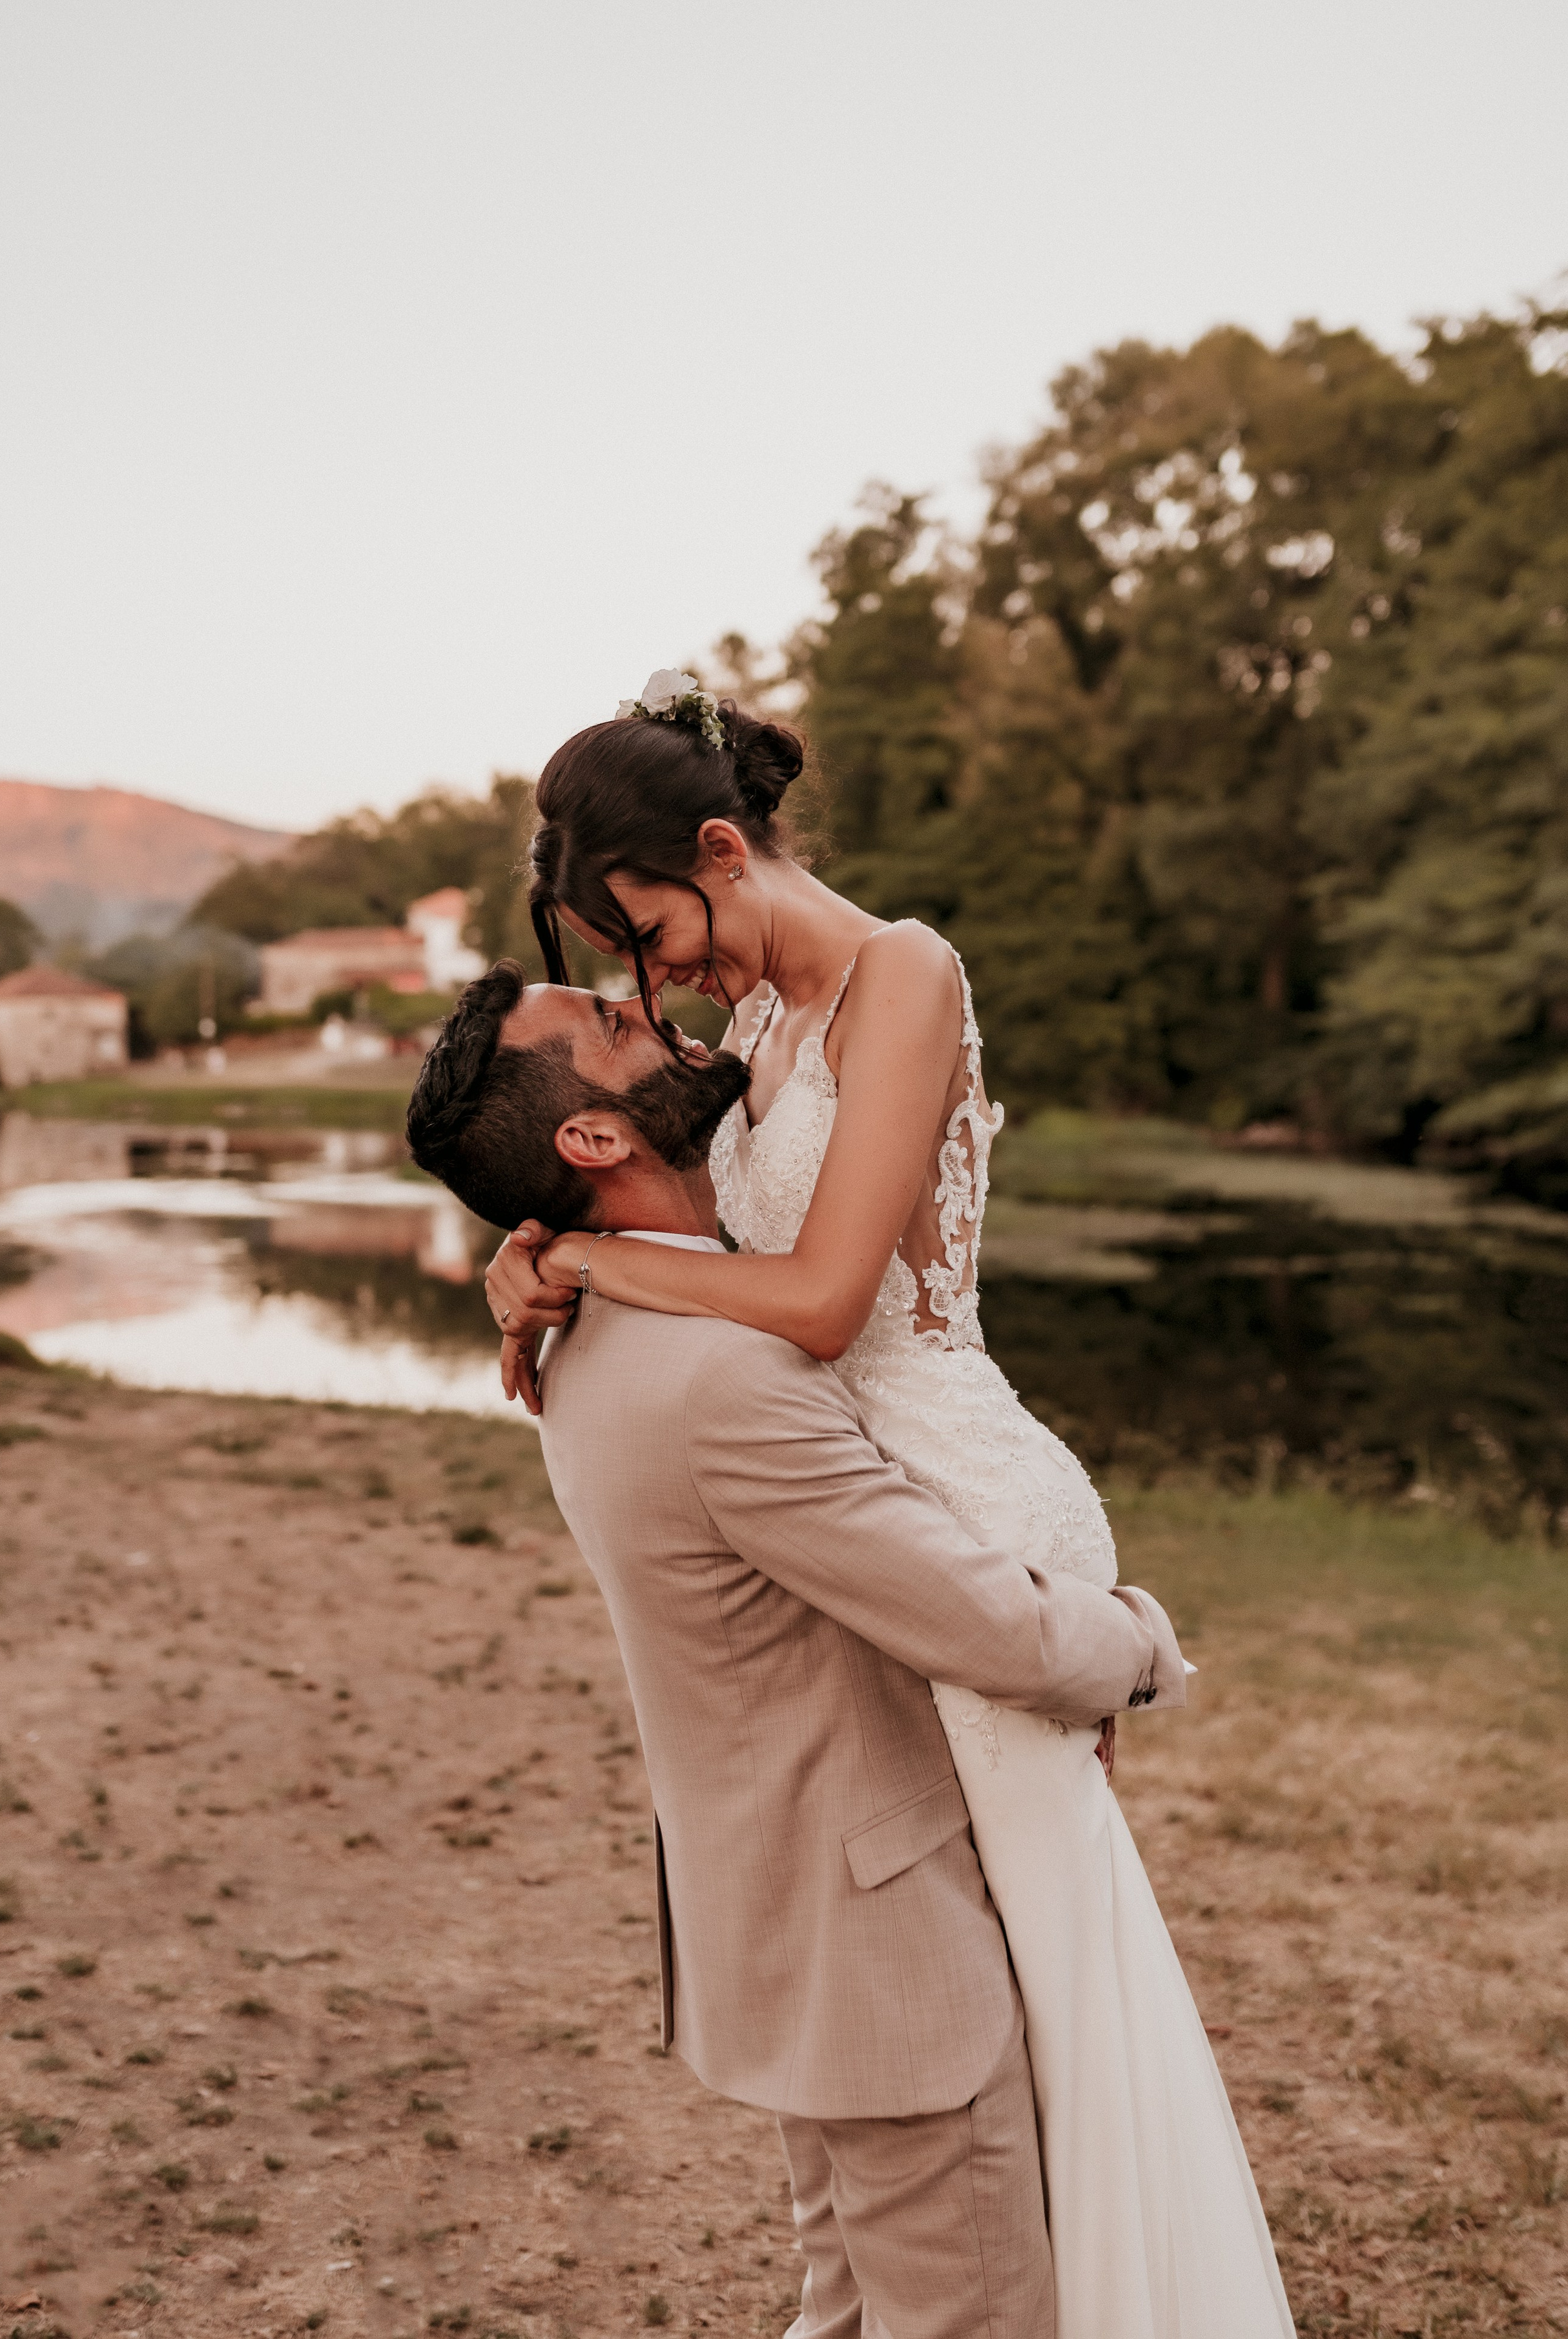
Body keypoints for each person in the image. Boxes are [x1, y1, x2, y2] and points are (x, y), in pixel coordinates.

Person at [481, 672, 1295, 2339]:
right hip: (862, 1504)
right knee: (956, 1969)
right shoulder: (768, 1026)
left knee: (1042, 1967)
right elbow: (625, 1166)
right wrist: (534, 1250)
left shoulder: (902, 971)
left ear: (724, 844)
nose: (661, 979)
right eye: (633, 965)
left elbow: (829, 1295)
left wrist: (586, 1253)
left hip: (968, 1494)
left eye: (651, 932)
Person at [406, 959, 1191, 2338]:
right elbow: (983, 1620)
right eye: (606, 1022)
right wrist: (1133, 1642)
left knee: (851, 2309)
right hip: (877, 1941)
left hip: (794, 1920)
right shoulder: (714, 1376)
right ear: (592, 1138)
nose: (642, 998)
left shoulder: (596, 1326)